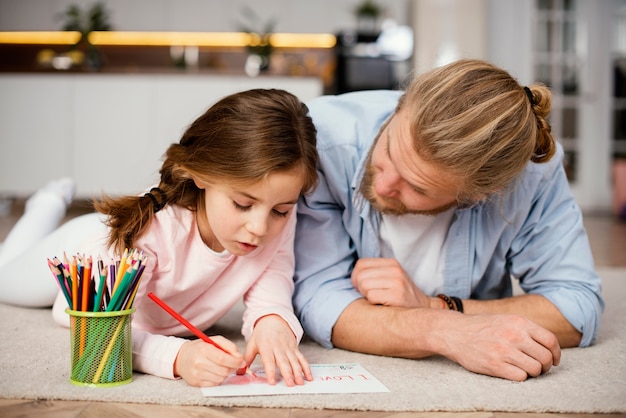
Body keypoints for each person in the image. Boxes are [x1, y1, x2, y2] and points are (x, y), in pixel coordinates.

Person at [293, 59, 605, 382]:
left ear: (480, 195)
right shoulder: (319, 141)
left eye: (417, 187)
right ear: (401, 104)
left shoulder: (532, 174)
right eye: (388, 147)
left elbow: (577, 308)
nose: (382, 186)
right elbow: (318, 299)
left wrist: (435, 305)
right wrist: (448, 330)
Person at [0, 88, 318, 388]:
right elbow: (99, 332)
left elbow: (273, 278)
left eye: (281, 211)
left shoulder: (274, 217)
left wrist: (273, 320)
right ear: (201, 174)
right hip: (84, 247)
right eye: (242, 204)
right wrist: (178, 357)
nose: (260, 228)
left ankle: (46, 204)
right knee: (5, 273)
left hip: (110, 240)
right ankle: (46, 204)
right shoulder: (148, 236)